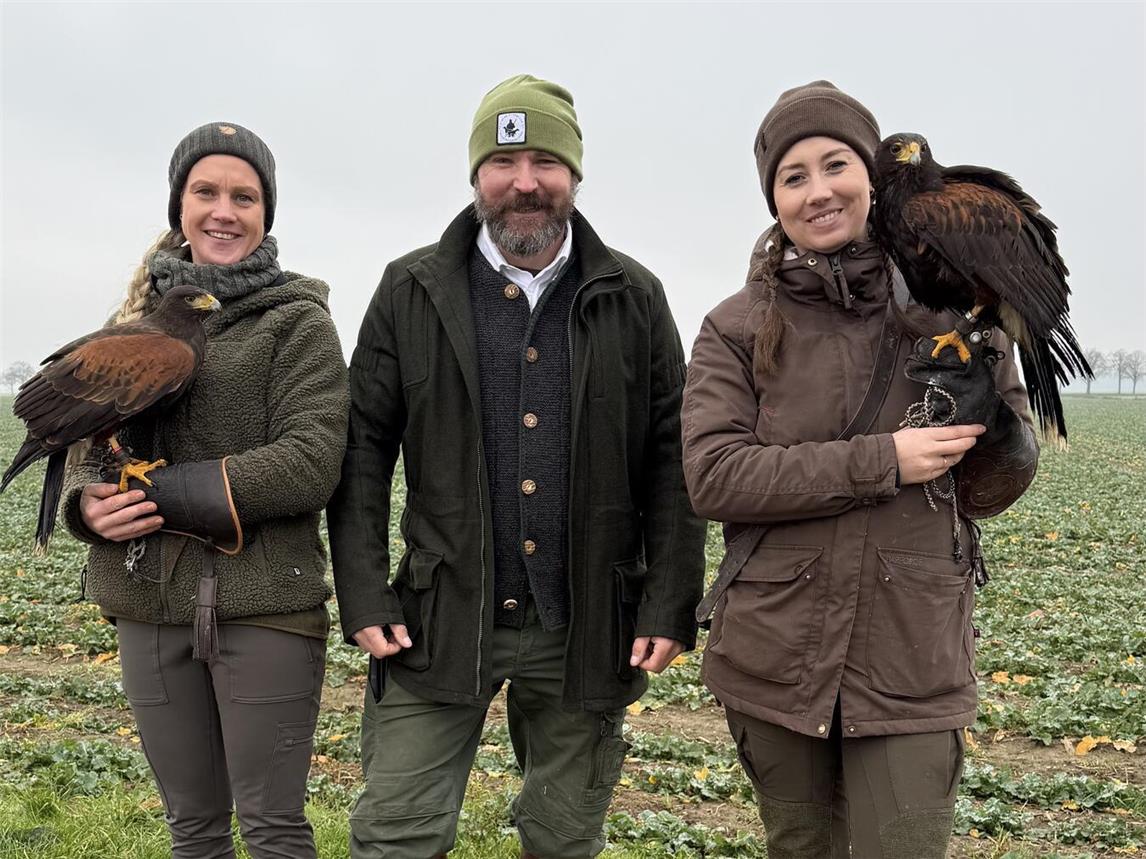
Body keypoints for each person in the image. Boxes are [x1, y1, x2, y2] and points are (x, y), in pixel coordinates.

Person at [328, 74, 706, 859]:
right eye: (503, 162)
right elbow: (362, 448)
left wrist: (669, 599)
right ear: (476, 176)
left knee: (564, 838)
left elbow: (673, 459)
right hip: (435, 619)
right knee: (396, 832)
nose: (524, 182)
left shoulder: (633, 297)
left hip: (588, 623)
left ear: (574, 175)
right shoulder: (411, 289)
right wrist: (363, 589)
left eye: (545, 161)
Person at [681, 81, 1039, 859]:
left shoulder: (955, 308)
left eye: (835, 163)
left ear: (873, 175)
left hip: (911, 659)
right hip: (775, 658)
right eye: (793, 175)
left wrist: (1000, 427)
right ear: (773, 197)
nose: (818, 190)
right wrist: (883, 459)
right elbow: (714, 476)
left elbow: (995, 490)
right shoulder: (735, 326)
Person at [60, 122, 349, 859]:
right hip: (147, 603)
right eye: (206, 192)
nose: (224, 210)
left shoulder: (298, 321)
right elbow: (84, 443)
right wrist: (88, 505)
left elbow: (311, 458)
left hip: (264, 608)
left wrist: (164, 494)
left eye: (244, 196)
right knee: (192, 829)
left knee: (274, 829)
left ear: (265, 213)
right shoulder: (129, 325)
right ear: (179, 206)